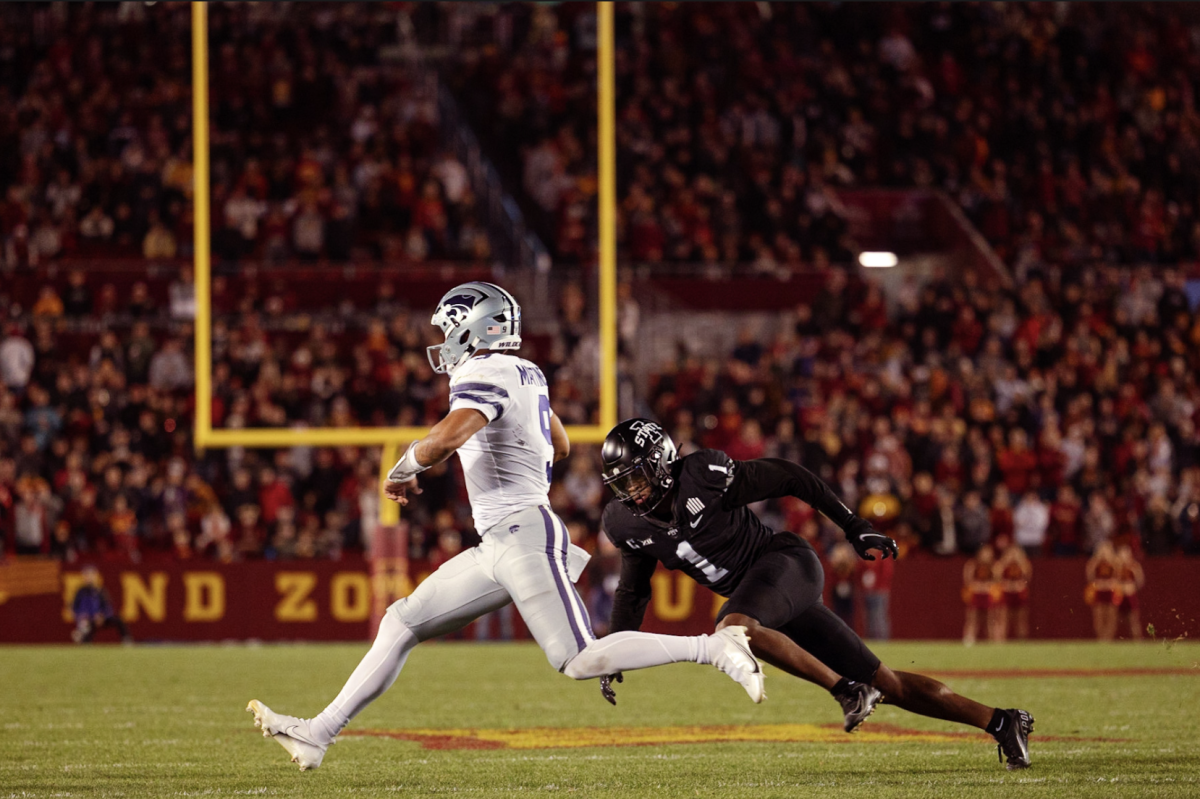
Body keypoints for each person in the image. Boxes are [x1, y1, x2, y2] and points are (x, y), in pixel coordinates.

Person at [247, 284, 764, 771]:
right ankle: (319, 732)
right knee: (400, 623)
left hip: (523, 535)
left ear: (474, 328)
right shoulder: (526, 372)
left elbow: (445, 439)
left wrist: (404, 467)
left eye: (449, 328)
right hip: (499, 540)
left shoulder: (484, 374)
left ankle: (714, 648)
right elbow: (559, 445)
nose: (443, 341)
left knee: (578, 658)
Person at [598, 418, 1034, 770]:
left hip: (785, 565)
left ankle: (846, 691)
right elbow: (633, 590)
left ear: (660, 462)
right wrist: (616, 651)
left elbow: (790, 476)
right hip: (768, 604)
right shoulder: (625, 523)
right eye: (621, 485)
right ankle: (1001, 721)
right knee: (890, 683)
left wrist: (853, 526)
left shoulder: (701, 475)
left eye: (635, 478)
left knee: (731, 630)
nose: (630, 492)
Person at [70, 565, 132, 643]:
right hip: (88, 620)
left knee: (119, 620)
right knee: (85, 628)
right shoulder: (81, 592)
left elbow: (108, 607)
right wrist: (82, 617)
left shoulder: (101, 591)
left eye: (91, 574)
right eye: (86, 575)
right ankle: (84, 640)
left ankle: (126, 640)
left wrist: (102, 616)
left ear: (95, 576)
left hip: (102, 618)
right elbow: (75, 608)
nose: (89, 577)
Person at [993, 542, 1033, 642]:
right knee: (1003, 618)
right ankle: (1000, 642)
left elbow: (1027, 579)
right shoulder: (1002, 564)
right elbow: (996, 577)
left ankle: (1022, 641)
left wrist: (1020, 562)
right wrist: (1005, 562)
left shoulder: (1024, 564)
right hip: (1006, 593)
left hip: (1019, 593)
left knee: (1020, 619)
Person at [961, 544, 999, 646]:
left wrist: (986, 586)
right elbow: (968, 581)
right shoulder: (972, 564)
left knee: (990, 619)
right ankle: (969, 638)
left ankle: (992, 640)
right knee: (972, 618)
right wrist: (979, 586)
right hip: (976, 593)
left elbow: (997, 581)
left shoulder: (994, 566)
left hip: (988, 594)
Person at [1085, 541, 1120, 641]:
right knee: (1098, 616)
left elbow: (1118, 576)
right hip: (1099, 590)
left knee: (1111, 616)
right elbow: (1089, 576)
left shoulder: (1114, 562)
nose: (1104, 552)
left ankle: (1109, 637)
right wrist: (1096, 560)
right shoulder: (1095, 562)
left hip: (1110, 590)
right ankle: (1101, 637)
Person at [1114, 544, 1145, 640]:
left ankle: (1137, 638)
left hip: (1130, 593)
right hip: (1119, 594)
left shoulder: (1134, 566)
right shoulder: (1116, 566)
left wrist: (1132, 587)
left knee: (1133, 619)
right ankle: (1110, 640)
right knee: (1116, 619)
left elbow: (1140, 581)